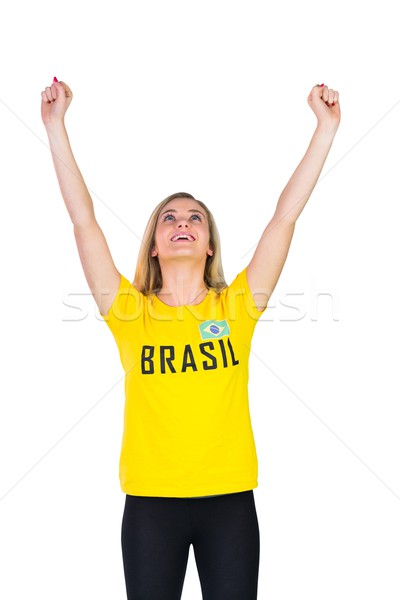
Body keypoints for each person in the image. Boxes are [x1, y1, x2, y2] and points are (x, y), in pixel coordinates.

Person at [41, 77, 340, 600]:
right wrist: (56, 126)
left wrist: (326, 128)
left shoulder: (236, 307)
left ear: (208, 245)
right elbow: (83, 220)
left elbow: (284, 217)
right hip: (151, 505)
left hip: (229, 503)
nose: (183, 223)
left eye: (195, 218)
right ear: (155, 246)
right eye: (170, 219)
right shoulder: (131, 314)